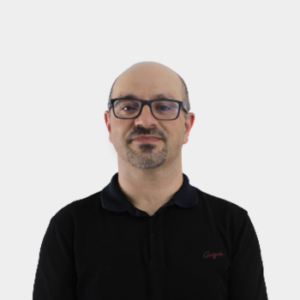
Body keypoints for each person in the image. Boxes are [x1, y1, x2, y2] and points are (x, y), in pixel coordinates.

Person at [32, 61, 268, 300]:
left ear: (187, 126)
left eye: (164, 107)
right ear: (109, 124)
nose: (144, 121)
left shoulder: (232, 225)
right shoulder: (69, 228)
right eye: (128, 107)